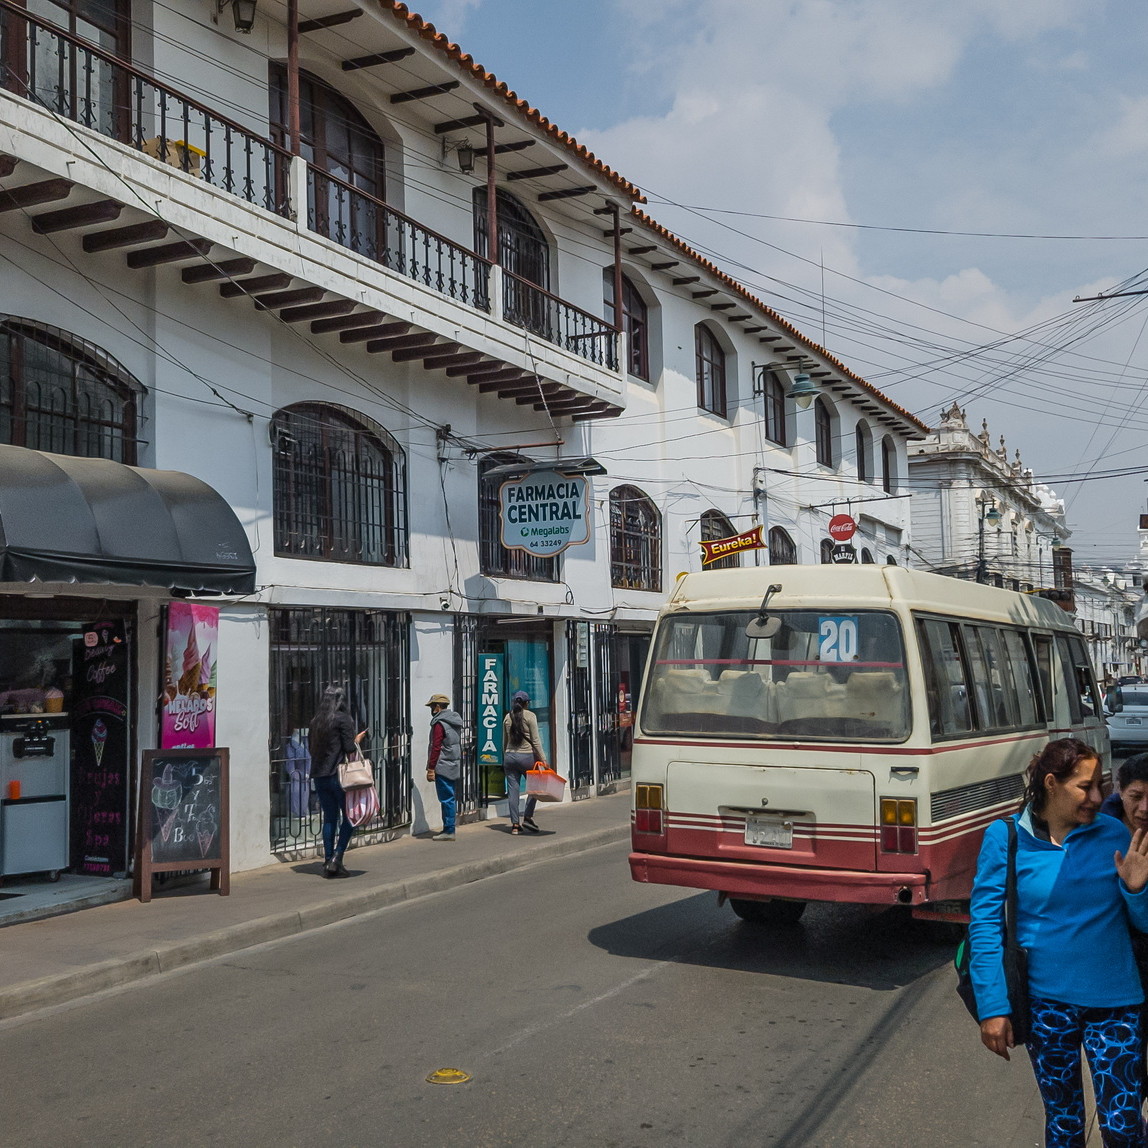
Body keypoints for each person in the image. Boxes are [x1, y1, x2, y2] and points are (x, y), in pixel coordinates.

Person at [969, 738, 1148, 1148]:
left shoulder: (1113, 833)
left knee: (1122, 1127)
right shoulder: (1006, 838)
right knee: (1065, 1124)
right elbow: (985, 927)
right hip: (1047, 1006)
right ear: (1051, 783)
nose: (1098, 798)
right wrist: (993, 1007)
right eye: (1085, 788)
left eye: (1100, 786)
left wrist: (1137, 890)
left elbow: (1142, 923)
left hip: (1117, 1004)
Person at [307, 686, 365, 878]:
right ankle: (337, 857)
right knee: (351, 816)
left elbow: (311, 750)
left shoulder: (316, 722)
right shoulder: (342, 719)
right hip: (339, 776)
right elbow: (349, 748)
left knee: (330, 818)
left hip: (319, 775)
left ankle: (328, 860)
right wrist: (357, 739)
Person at [502, 690, 546, 836]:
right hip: (527, 757)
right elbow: (536, 741)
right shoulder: (530, 716)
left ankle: (515, 825)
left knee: (512, 792)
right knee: (535, 786)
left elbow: (505, 742)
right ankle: (527, 816)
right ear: (527, 703)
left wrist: (505, 757)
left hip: (510, 757)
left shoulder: (507, 718)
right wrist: (543, 759)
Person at [425, 693, 464, 842]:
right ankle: (448, 827)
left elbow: (436, 746)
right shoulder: (454, 720)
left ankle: (449, 829)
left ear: (437, 707)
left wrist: (431, 768)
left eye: (432, 706)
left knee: (446, 798)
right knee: (450, 797)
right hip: (453, 763)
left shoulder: (439, 723)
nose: (431, 709)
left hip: (442, 764)